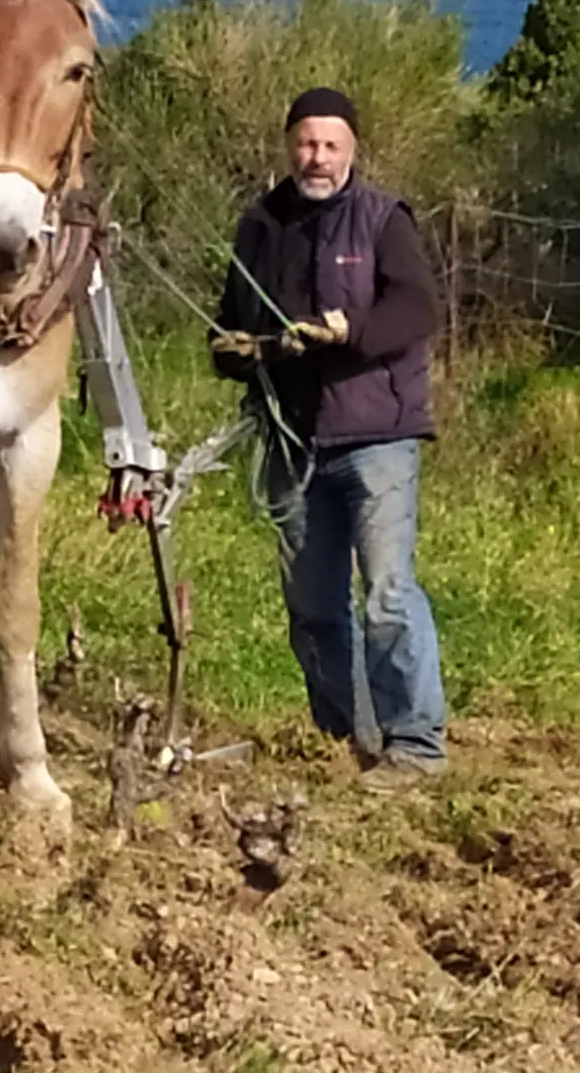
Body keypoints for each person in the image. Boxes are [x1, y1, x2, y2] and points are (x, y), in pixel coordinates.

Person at [209, 86, 448, 793]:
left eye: (330, 146)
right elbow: (228, 322)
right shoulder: (260, 223)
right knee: (313, 606)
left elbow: (417, 306)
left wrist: (351, 334)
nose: (317, 158)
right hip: (293, 442)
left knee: (387, 595)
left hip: (376, 437)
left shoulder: (382, 219)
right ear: (289, 145)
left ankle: (416, 745)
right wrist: (237, 351)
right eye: (306, 144)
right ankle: (344, 737)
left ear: (352, 151)